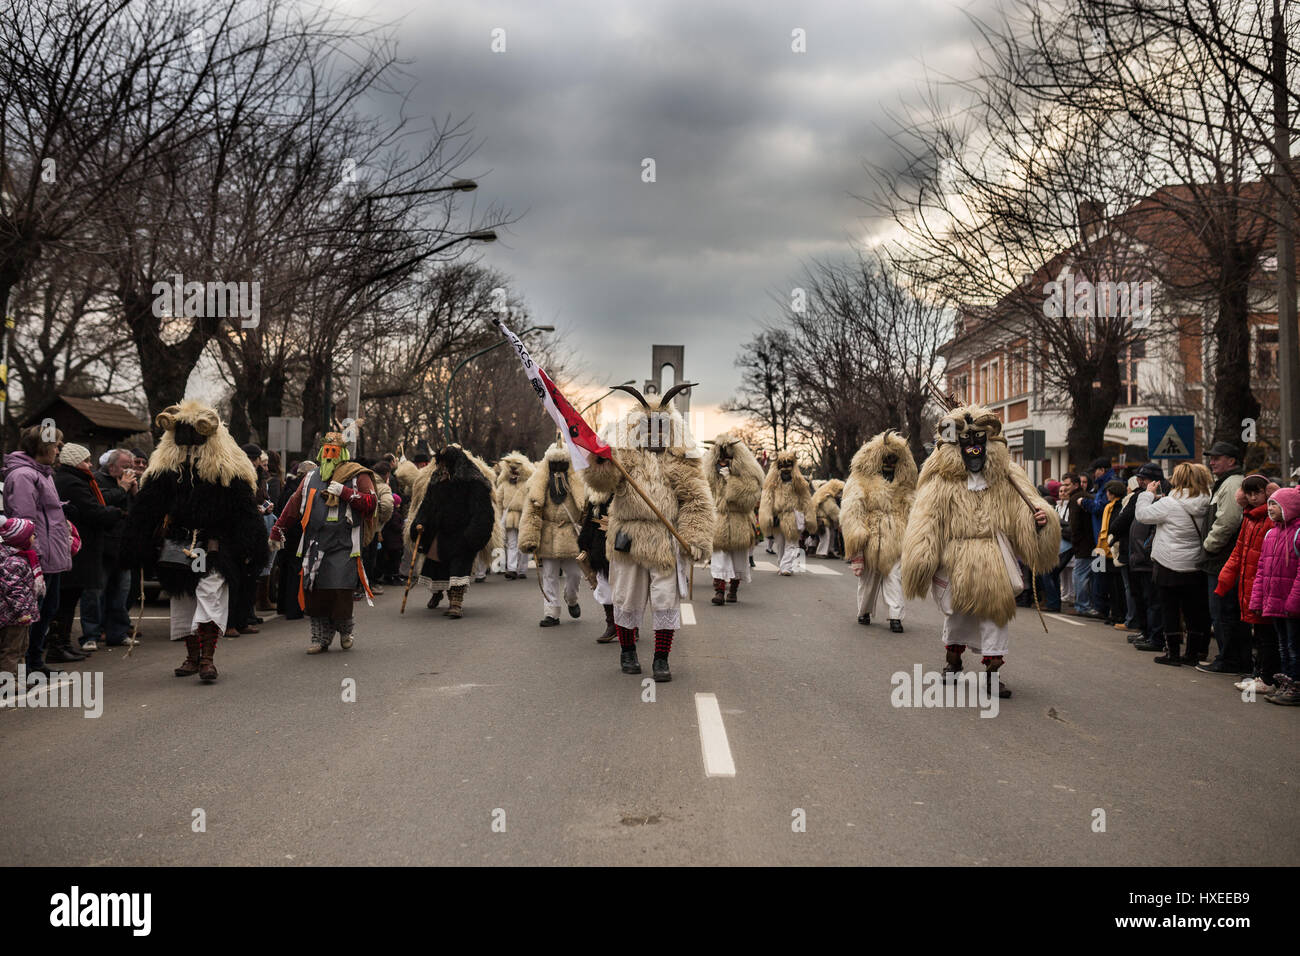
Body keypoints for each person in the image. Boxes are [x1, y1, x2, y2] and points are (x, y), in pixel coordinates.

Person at [901, 404, 1060, 699]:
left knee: (995, 616)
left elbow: (1025, 510)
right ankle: (953, 662)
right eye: (966, 444)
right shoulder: (940, 483)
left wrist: (1039, 520)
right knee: (957, 615)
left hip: (994, 556)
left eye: (979, 443)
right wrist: (922, 558)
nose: (973, 450)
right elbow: (926, 521)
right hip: (956, 557)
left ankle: (992, 673)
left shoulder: (1008, 478)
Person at [121, 400, 268, 682]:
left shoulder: (227, 470)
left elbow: (245, 511)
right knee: (183, 598)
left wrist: (253, 546)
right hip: (178, 542)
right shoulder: (166, 469)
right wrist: (134, 542)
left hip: (215, 544)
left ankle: (207, 660)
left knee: (210, 593)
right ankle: (192, 656)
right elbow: (147, 507)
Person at [582, 383, 713, 682]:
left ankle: (661, 659)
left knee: (666, 600)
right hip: (628, 535)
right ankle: (627, 652)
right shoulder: (624, 454)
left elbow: (696, 498)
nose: (654, 431)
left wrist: (694, 536)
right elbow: (601, 485)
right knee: (626, 598)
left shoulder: (683, 457)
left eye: (661, 424)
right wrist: (600, 461)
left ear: (671, 426)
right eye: (647, 424)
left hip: (665, 541)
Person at [270, 431, 378, 652]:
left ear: (343, 453)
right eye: (326, 451)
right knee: (315, 591)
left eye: (334, 451)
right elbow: (293, 504)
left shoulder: (358, 475)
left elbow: (371, 503)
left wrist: (346, 492)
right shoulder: (311, 477)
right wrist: (278, 528)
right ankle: (320, 638)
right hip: (315, 543)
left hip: (344, 544)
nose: (329, 455)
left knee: (339, 588)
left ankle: (345, 630)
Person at [3, 424, 72, 678]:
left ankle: (35, 661)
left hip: (52, 555)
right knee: (34, 614)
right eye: (56, 445)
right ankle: (28, 664)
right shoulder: (23, 476)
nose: (58, 450)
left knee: (47, 610)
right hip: (38, 558)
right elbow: (25, 521)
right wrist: (36, 555)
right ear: (43, 447)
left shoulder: (44, 474)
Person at [50, 444, 125, 660]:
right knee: (65, 600)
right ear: (75, 461)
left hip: (80, 547)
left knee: (69, 598)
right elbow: (91, 511)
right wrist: (115, 512)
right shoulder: (72, 482)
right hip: (77, 548)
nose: (90, 465)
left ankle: (62, 643)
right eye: (86, 460)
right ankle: (58, 645)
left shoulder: (74, 480)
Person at [1134, 462, 1213, 667]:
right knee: (1193, 610)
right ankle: (1194, 653)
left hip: (1168, 562)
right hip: (1194, 563)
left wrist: (1147, 494)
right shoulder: (1207, 500)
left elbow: (1143, 515)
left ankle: (1173, 652)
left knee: (1169, 609)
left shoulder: (1170, 503)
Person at [840, 429, 918, 632]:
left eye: (894, 459)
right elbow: (852, 511)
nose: (890, 463)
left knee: (894, 576)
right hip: (871, 534)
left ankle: (895, 616)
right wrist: (857, 540)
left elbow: (913, 509)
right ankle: (864, 611)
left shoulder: (906, 484)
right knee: (869, 580)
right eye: (886, 458)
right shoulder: (860, 480)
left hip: (896, 536)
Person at [407, 445, 495, 619]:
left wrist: (473, 535)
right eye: (441, 463)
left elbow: (482, 511)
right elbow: (428, 504)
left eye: (446, 463)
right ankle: (437, 592)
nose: (442, 467)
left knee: (459, 568)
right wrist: (420, 522)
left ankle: (456, 602)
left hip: (463, 534)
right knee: (436, 567)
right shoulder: (437, 479)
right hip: (440, 532)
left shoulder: (473, 480)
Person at [1218, 475, 1280, 694]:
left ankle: (1268, 677)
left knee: (1267, 634)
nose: (1254, 498)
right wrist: (1226, 576)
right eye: (1249, 493)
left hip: (1264, 584)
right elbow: (1239, 550)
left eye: (1258, 493)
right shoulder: (1249, 518)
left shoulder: (1271, 518)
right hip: (1249, 583)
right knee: (1260, 633)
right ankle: (1259, 673)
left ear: (1268, 492)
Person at [519, 442, 587, 627]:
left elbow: (585, 512)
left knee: (575, 574)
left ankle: (571, 599)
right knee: (549, 575)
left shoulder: (579, 483)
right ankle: (551, 613)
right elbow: (531, 513)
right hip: (548, 535)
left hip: (571, 537)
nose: (558, 468)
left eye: (562, 464)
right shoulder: (537, 485)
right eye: (554, 464)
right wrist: (529, 538)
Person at [1197, 441, 1248, 674]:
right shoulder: (1228, 483)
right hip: (1222, 559)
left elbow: (1227, 521)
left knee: (1224, 612)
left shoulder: (1232, 483)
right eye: (1211, 457)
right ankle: (1235, 658)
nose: (1212, 462)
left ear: (1232, 461)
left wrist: (1209, 546)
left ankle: (1229, 660)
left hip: (1222, 560)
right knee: (1226, 612)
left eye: (1217, 458)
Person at [1248, 486, 1300, 704]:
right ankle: (1287, 681)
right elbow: (1262, 570)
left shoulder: (1297, 533)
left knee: (1294, 646)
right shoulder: (1271, 534)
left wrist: (1294, 602)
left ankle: (1296, 685)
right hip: (1275, 603)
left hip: (1291, 605)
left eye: (1275, 505)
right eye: (1269, 504)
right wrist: (1258, 599)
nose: (1270, 508)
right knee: (1283, 644)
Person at [86, 449, 139, 650]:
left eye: (131, 466)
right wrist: (123, 489)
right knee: (95, 592)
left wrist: (134, 493)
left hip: (123, 546)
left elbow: (138, 511)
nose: (129, 470)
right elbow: (101, 503)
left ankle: (118, 632)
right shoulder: (97, 480)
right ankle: (91, 634)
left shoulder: (129, 484)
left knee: (121, 593)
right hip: (102, 546)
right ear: (111, 466)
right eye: (126, 466)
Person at [703, 432, 764, 606]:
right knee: (719, 557)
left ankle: (733, 590)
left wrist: (732, 482)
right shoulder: (709, 475)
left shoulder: (747, 475)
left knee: (739, 558)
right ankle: (719, 591)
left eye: (727, 460)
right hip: (718, 520)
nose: (723, 463)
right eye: (720, 460)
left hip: (739, 521)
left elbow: (750, 498)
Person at [1120, 463, 1167, 652]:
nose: (1140, 481)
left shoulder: (1157, 498)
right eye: (1139, 478)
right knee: (1143, 598)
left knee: (1153, 601)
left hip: (1148, 558)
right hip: (1138, 556)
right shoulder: (1142, 495)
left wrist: (1145, 551)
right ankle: (1147, 632)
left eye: (1144, 479)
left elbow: (1144, 518)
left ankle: (1155, 637)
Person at [0, 517, 43, 679]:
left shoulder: (23, 557)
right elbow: (14, 590)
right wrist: (23, 611)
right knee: (11, 649)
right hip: (13, 616)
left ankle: (19, 678)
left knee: (21, 647)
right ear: (21, 539)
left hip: (19, 615)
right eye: (32, 535)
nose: (34, 538)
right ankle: (7, 681)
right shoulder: (13, 562)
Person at [759, 450, 813, 576]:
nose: (785, 469)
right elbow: (767, 499)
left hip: (793, 516)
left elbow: (806, 499)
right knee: (781, 544)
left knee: (792, 543)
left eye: (788, 465)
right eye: (782, 465)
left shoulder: (799, 483)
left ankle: (786, 567)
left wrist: (809, 517)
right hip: (778, 516)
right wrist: (769, 516)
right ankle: (782, 565)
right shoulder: (772, 483)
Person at [1082, 457, 1119, 617]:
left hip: (1104, 540)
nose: (1093, 475)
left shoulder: (1108, 485)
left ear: (1102, 470)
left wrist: (1084, 502)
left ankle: (1101, 607)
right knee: (1100, 572)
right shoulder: (1104, 484)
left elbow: (1099, 508)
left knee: (1102, 574)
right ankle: (1101, 606)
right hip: (1101, 538)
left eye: (1095, 471)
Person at [578, 486, 615, 640]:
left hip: (624, 543)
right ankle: (612, 624)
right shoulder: (597, 492)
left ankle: (630, 625)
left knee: (627, 589)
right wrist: (584, 542)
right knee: (605, 587)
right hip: (600, 544)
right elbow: (590, 519)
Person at [1094, 479, 1128, 629]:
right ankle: (1112, 613)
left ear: (1111, 493)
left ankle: (1119, 614)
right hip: (1103, 550)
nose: (1106, 495)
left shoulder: (1118, 507)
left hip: (1113, 550)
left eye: (1107, 492)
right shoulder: (1108, 506)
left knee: (1117, 586)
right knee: (1107, 583)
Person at [495, 452, 535, 580]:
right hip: (509, 517)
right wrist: (499, 518)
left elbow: (532, 500)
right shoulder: (504, 484)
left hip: (524, 516)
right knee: (512, 543)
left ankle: (522, 569)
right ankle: (512, 569)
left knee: (522, 544)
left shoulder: (528, 483)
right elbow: (499, 502)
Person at [810, 479, 844, 558]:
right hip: (823, 520)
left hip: (823, 519)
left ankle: (829, 551)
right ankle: (822, 552)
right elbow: (832, 510)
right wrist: (841, 519)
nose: (840, 493)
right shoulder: (826, 497)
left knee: (830, 535)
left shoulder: (822, 494)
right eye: (839, 490)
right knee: (826, 536)